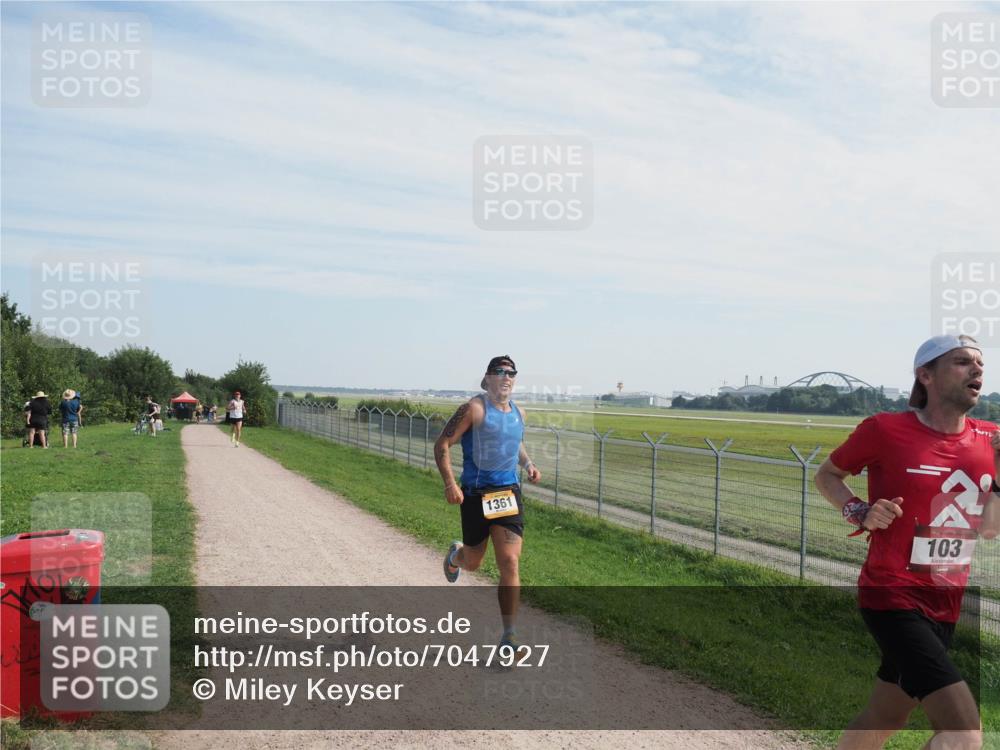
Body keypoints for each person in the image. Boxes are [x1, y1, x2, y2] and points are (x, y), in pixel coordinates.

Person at [815, 334, 999, 750]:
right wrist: (860, 511)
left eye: (980, 363)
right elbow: (827, 475)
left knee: (887, 715)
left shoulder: (992, 440)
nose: (977, 369)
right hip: (891, 595)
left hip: (946, 600)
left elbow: (990, 528)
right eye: (962, 361)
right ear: (925, 375)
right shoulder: (885, 429)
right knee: (963, 733)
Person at [434, 355, 541, 656]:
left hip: (507, 494)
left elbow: (514, 442)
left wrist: (529, 463)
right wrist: (450, 484)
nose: (506, 377)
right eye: (500, 371)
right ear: (488, 378)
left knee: (509, 562)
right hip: (476, 495)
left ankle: (509, 637)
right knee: (474, 562)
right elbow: (442, 444)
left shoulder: (518, 412)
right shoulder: (473, 409)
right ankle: (456, 557)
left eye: (511, 372)